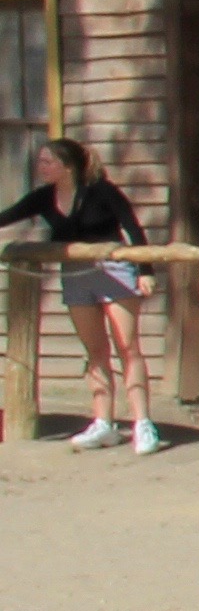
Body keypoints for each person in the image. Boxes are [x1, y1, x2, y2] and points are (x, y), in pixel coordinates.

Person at [5, 138, 156, 452]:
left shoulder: (102, 191)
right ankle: (104, 423)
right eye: (41, 161)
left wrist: (145, 271)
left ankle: (143, 422)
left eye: (48, 162)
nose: (41, 167)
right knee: (95, 350)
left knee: (127, 347)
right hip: (75, 275)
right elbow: (8, 215)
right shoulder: (44, 198)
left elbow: (134, 229)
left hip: (114, 271)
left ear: (67, 166)